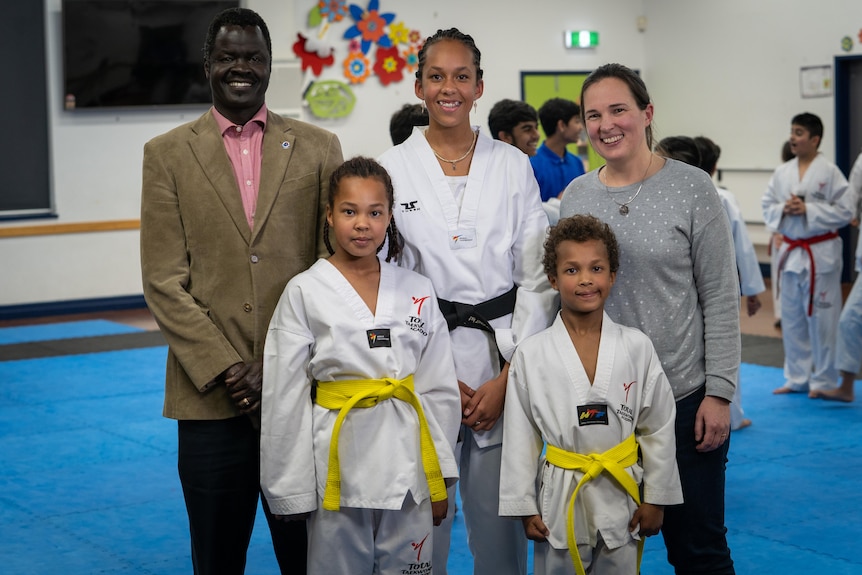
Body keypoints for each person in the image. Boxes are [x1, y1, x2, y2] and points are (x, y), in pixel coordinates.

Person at [139, 7, 343, 574]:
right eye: (228, 56)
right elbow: (162, 279)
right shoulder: (167, 154)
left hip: (301, 392)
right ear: (208, 64)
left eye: (253, 57)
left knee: (308, 557)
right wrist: (231, 368)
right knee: (217, 557)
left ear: (269, 66)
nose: (241, 68)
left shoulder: (319, 146)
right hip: (208, 401)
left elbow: (333, 264)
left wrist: (279, 364)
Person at [377, 28, 558, 575]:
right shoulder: (390, 166)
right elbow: (383, 279)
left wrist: (510, 375)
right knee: (419, 515)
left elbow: (537, 279)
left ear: (480, 86)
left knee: (501, 519)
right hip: (421, 360)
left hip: (501, 358)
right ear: (418, 85)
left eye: (461, 76)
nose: (448, 88)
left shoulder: (512, 165)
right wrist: (427, 372)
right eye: (437, 76)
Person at [559, 63, 740, 575]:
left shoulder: (692, 187)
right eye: (593, 115)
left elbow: (721, 296)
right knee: (601, 546)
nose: (606, 124)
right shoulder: (577, 195)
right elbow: (569, 299)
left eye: (619, 110)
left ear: (646, 114)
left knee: (699, 547)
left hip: (683, 398)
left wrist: (720, 392)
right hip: (604, 401)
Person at [259, 157, 461, 574]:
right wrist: (288, 488)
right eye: (349, 211)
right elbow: (284, 395)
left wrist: (440, 473)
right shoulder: (305, 291)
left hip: (409, 466)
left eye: (375, 212)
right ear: (330, 216)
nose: (362, 224)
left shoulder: (416, 288)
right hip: (338, 471)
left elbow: (438, 388)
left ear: (389, 216)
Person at [499, 214, 683, 575]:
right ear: (553, 279)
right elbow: (520, 435)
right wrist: (524, 504)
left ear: (612, 275)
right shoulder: (532, 353)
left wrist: (657, 498)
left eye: (596, 268)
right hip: (560, 495)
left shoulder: (636, 347)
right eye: (571, 270)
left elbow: (658, 426)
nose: (585, 279)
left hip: (622, 489)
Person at [762, 112, 853, 397]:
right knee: (792, 318)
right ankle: (797, 377)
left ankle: (824, 380)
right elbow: (767, 204)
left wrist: (810, 210)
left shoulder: (830, 172)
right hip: (791, 253)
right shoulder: (782, 172)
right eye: (792, 131)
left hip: (819, 252)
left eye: (799, 132)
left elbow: (847, 210)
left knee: (823, 320)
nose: (793, 137)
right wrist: (783, 210)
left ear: (815, 139)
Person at [688, 135, 767, 430]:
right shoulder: (722, 195)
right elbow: (742, 248)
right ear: (715, 165)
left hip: (692, 286)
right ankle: (733, 415)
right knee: (724, 349)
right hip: (720, 282)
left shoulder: (687, 195)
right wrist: (752, 290)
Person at [531, 97, 586, 202]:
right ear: (561, 125)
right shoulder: (532, 164)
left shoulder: (576, 162)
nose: (581, 127)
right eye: (577, 121)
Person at [770, 141, 797, 329]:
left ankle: (783, 313)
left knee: (781, 277)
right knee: (781, 278)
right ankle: (781, 313)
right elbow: (770, 204)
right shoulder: (781, 173)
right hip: (783, 235)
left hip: (786, 235)